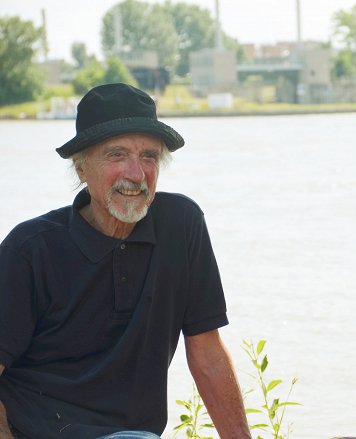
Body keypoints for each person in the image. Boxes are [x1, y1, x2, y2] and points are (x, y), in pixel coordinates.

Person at [0, 83, 251, 439]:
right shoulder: (30, 249)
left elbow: (208, 354)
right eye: (117, 155)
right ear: (82, 168)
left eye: (149, 156)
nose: (136, 174)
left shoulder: (181, 225)